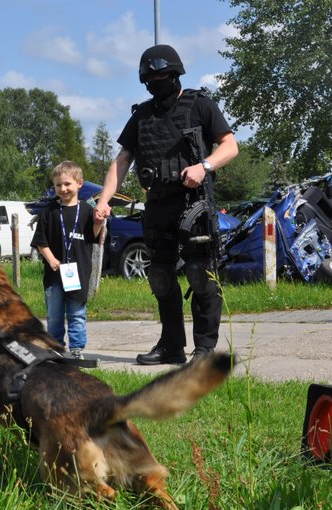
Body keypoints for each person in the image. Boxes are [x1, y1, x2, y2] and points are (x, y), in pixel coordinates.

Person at [94, 44, 239, 365]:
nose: (156, 81)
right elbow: (122, 161)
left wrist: (205, 166)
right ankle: (171, 346)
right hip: (157, 206)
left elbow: (230, 145)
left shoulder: (200, 105)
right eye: (151, 78)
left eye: (162, 75)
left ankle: (204, 349)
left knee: (201, 274)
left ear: (175, 75)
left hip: (194, 204)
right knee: (159, 277)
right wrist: (104, 201)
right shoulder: (142, 115)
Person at [31, 161, 103, 360]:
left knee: (77, 313)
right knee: (54, 314)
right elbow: (40, 241)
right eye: (58, 185)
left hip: (78, 273)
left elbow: (92, 236)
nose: (62, 189)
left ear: (79, 184)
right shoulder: (50, 211)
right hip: (54, 274)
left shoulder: (88, 211)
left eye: (67, 184)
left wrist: (98, 222)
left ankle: (77, 349)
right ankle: (55, 348)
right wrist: (51, 259)